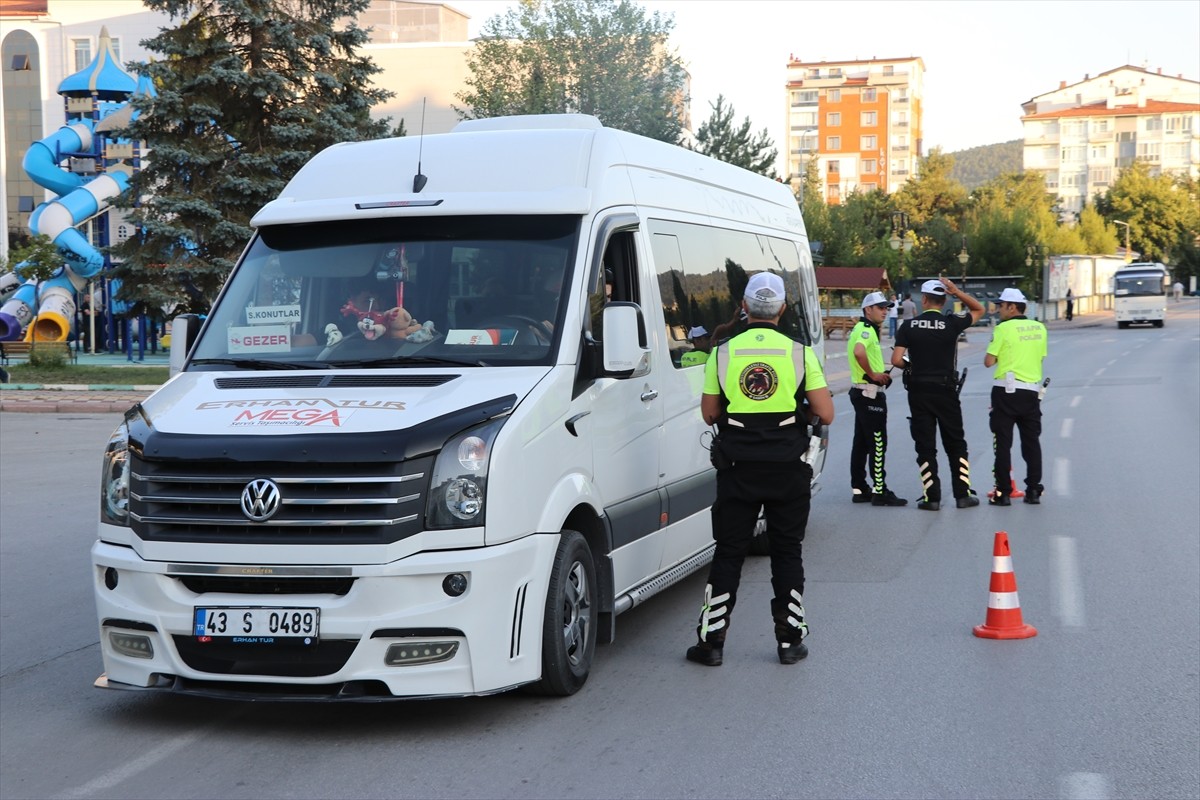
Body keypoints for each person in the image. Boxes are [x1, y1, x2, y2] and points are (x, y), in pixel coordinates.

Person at [686, 272, 835, 667]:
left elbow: (709, 413)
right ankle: (790, 641)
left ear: (744, 307)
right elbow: (825, 413)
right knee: (787, 553)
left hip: (738, 468)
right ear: (783, 309)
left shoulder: (722, 352)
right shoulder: (800, 352)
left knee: (729, 553)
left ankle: (711, 643)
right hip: (788, 468)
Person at [891, 277, 984, 511]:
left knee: (925, 445)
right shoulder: (952, 323)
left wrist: (912, 365)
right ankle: (963, 495)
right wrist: (957, 292)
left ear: (923, 299)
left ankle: (931, 498)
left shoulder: (908, 326)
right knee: (955, 443)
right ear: (943, 301)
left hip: (919, 391)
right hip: (946, 391)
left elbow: (896, 360)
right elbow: (979, 309)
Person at [984, 288, 1047, 505]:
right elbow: (1039, 357)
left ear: (1012, 307)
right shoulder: (1040, 328)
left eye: (1001, 306)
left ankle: (1003, 493)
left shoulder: (1003, 328)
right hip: (1031, 391)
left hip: (1006, 391)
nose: (998, 309)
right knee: (1031, 442)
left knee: (1003, 443)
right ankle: (1033, 490)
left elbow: (989, 361)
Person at [848, 292, 906, 506]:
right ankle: (880, 491)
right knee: (878, 442)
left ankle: (859, 488)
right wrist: (873, 374)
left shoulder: (862, 328)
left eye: (886, 308)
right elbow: (859, 352)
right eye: (880, 308)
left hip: (862, 392)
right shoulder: (865, 330)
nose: (885, 311)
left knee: (861, 443)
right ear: (867, 310)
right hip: (869, 393)